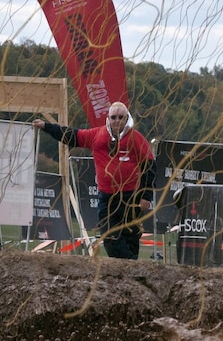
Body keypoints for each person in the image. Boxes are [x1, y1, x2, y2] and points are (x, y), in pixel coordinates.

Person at [33, 101, 155, 259]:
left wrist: (146, 196)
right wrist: (46, 126)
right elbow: (70, 135)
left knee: (131, 236)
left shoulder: (135, 138)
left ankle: (130, 272)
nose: (117, 121)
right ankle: (127, 264)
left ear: (126, 119)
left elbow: (150, 166)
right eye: (113, 117)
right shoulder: (98, 135)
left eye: (120, 117)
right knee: (110, 237)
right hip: (107, 197)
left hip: (130, 196)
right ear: (108, 119)